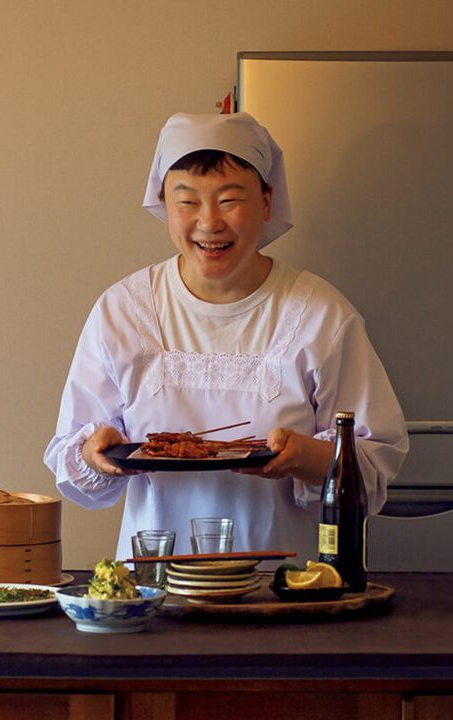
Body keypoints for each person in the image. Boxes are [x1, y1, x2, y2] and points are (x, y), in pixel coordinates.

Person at [43, 112, 409, 563]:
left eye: (230, 199)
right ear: (163, 203)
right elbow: (73, 467)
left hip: (283, 586)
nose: (209, 222)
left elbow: (373, 464)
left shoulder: (320, 314)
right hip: (153, 588)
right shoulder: (122, 310)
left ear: (266, 201)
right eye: (187, 200)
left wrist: (304, 456)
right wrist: (94, 453)